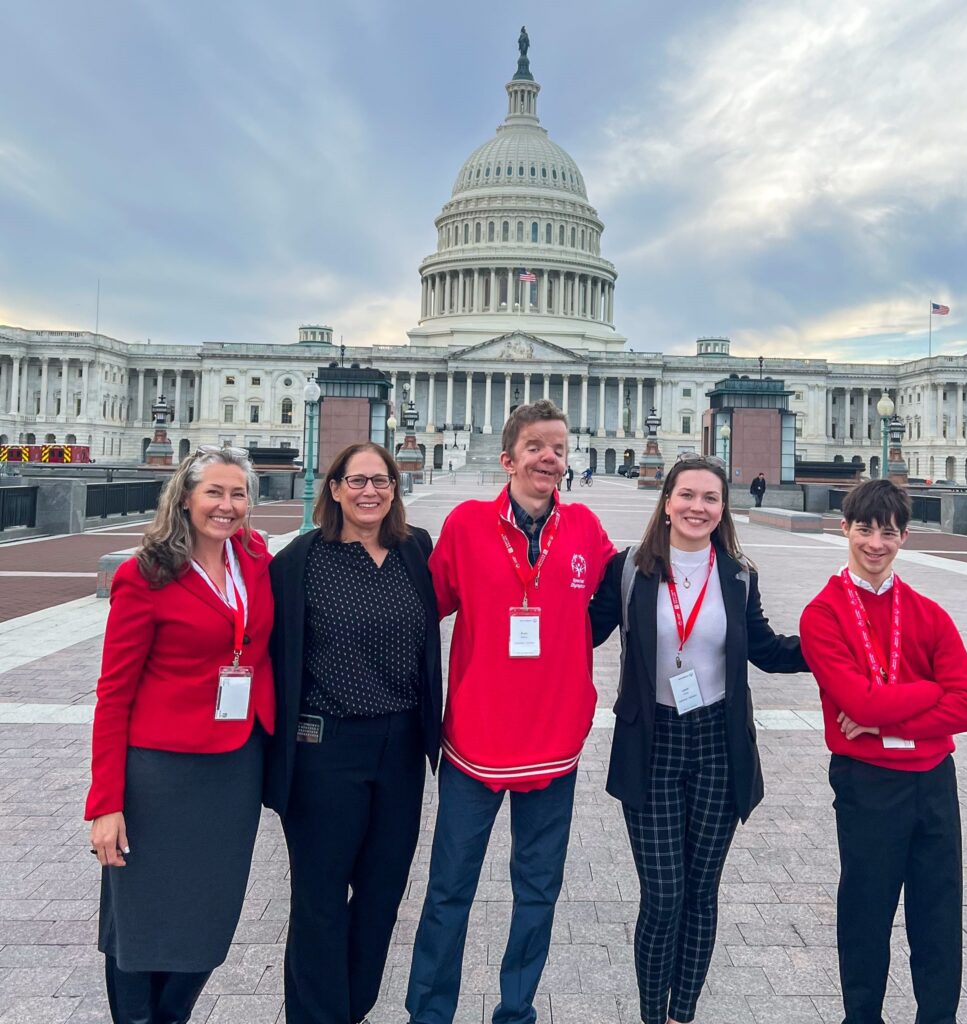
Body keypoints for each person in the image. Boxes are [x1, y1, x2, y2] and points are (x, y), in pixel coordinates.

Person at [406, 399, 615, 1024]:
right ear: (508, 459)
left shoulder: (585, 531)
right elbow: (420, 611)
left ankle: (516, 1009)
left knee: (538, 891)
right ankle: (429, 1011)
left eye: (558, 447)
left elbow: (619, 602)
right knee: (449, 889)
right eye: (535, 447)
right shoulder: (467, 525)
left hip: (555, 739)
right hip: (476, 737)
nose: (548, 457)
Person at [589, 453, 806, 1024]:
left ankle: (683, 1013)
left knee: (701, 894)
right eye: (687, 495)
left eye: (710, 498)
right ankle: (650, 1015)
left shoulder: (737, 574)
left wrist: (831, 648)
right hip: (651, 743)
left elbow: (764, 648)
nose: (697, 507)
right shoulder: (629, 568)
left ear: (722, 508)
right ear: (666, 502)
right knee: (663, 896)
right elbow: (582, 631)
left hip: (717, 743)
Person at [86, 446, 275, 1024]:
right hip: (161, 773)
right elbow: (114, 694)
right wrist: (105, 805)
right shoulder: (143, 575)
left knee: (209, 916)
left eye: (238, 493)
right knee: (142, 917)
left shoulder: (253, 557)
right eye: (214, 493)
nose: (227, 505)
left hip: (234, 768)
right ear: (185, 497)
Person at [265, 441, 442, 1024]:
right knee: (319, 898)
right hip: (325, 747)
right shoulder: (296, 563)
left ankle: (353, 1007)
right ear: (334, 488)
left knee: (382, 893)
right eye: (358, 480)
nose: (371, 492)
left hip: (400, 747)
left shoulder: (416, 549)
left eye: (382, 481)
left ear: (395, 488)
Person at [800, 479, 967, 1024]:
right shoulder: (823, 614)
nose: (875, 543)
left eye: (888, 532)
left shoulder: (928, 612)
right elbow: (856, 699)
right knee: (866, 910)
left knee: (939, 911)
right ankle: (861, 1017)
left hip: (933, 780)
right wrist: (931, 694)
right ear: (845, 530)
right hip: (868, 781)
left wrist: (884, 712)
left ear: (904, 537)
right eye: (864, 529)